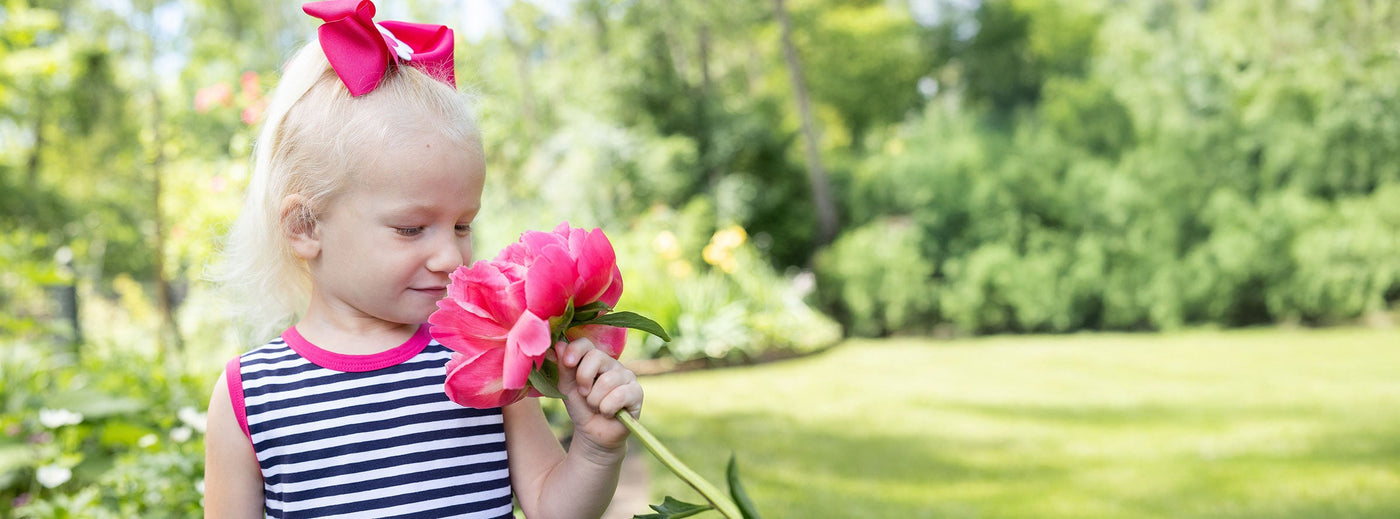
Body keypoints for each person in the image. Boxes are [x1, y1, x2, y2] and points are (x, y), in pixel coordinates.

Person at [203, 2, 643, 517]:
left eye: (463, 225)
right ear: (305, 226)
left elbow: (553, 507)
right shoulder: (251, 396)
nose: (450, 256)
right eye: (411, 228)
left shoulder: (484, 355)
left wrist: (595, 447)